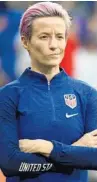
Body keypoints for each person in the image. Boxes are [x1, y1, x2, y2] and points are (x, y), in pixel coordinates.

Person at [0, 2, 97, 182]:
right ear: (25, 41)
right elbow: (11, 164)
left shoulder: (87, 94)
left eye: (60, 36)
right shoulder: (7, 96)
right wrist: (75, 150)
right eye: (44, 36)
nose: (54, 45)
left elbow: (94, 158)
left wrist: (46, 147)